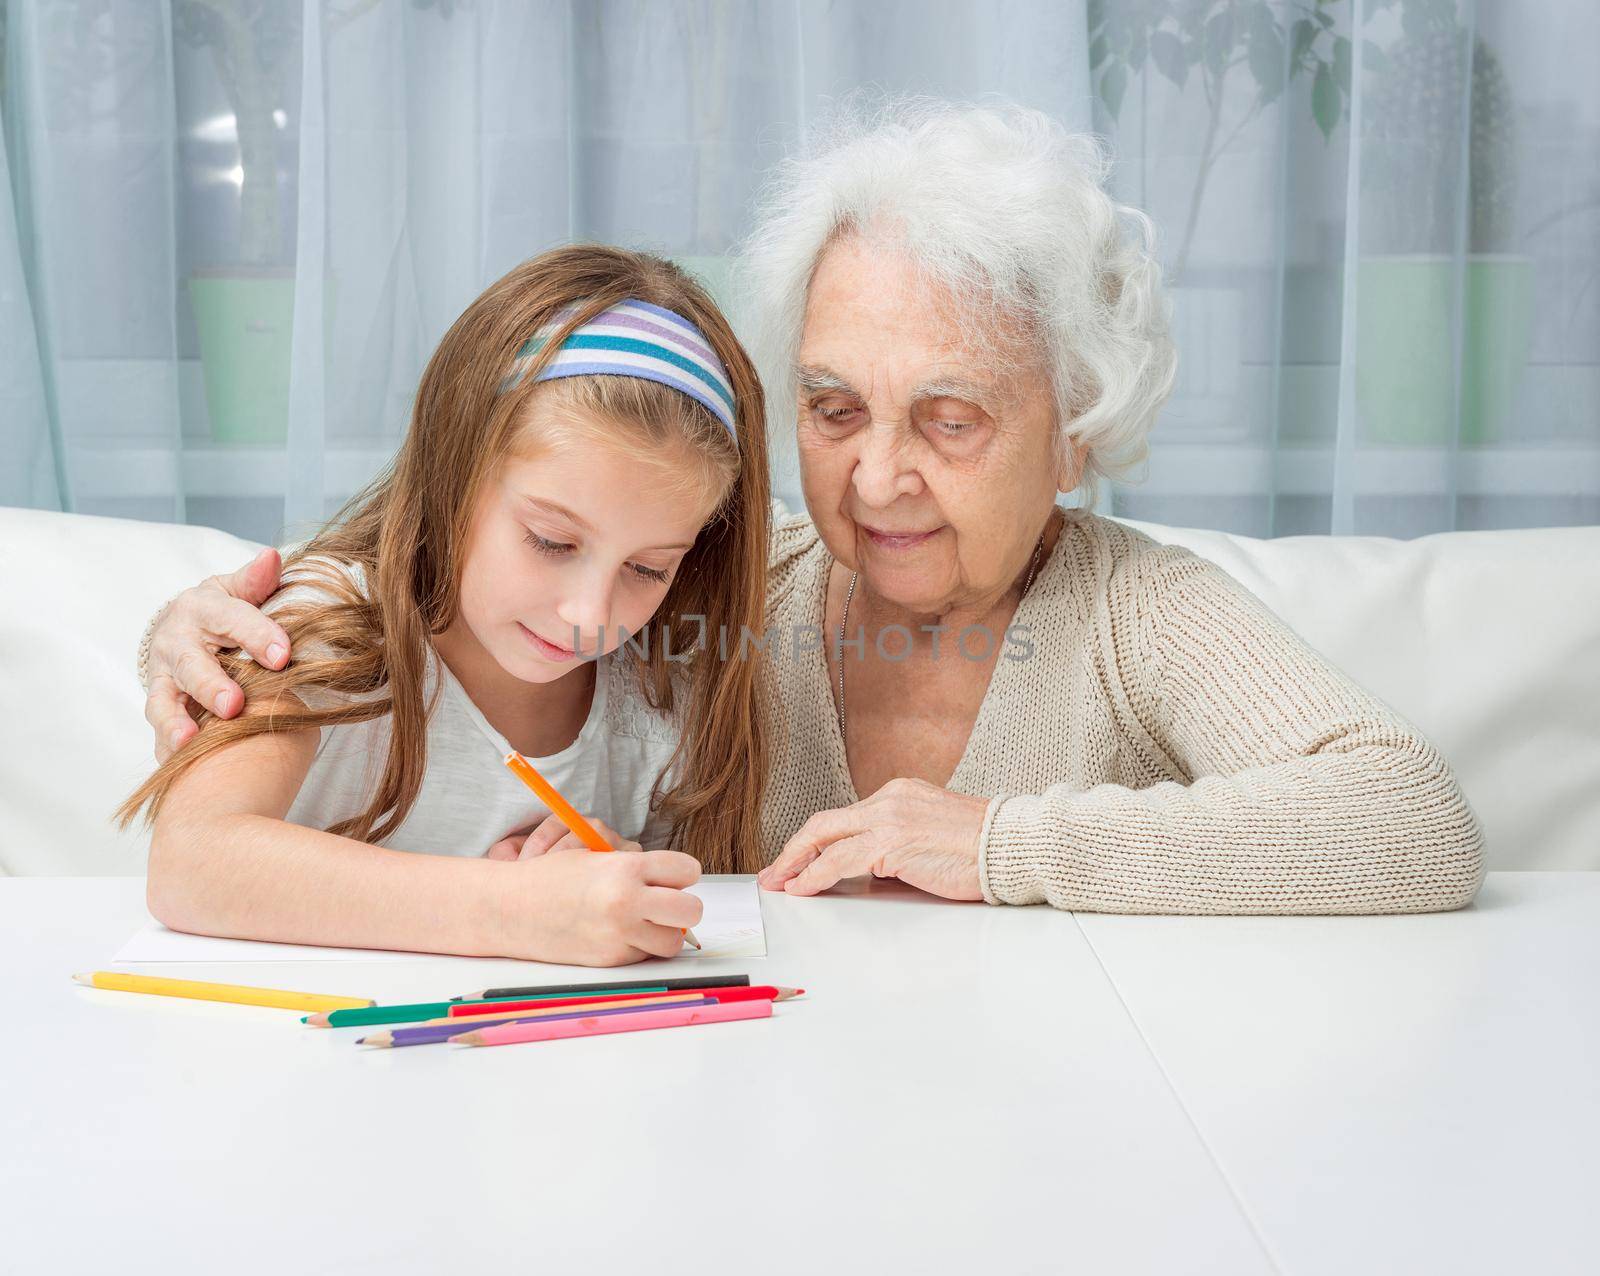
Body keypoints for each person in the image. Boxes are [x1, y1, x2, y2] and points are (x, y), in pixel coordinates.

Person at [139, 100, 1484, 916]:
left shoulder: (1141, 613)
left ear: (1074, 433)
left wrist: (1007, 844)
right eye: (836, 410)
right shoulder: (708, 597)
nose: (878, 478)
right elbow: (466, 604)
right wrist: (207, 631)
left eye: (950, 421)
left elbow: (1409, 820)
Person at [120, 245, 771, 965]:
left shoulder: (656, 693)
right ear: (452, 474)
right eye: (552, 541)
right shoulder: (336, 623)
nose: (591, 612)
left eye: (648, 569)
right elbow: (192, 861)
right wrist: (519, 912)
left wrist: (616, 886)